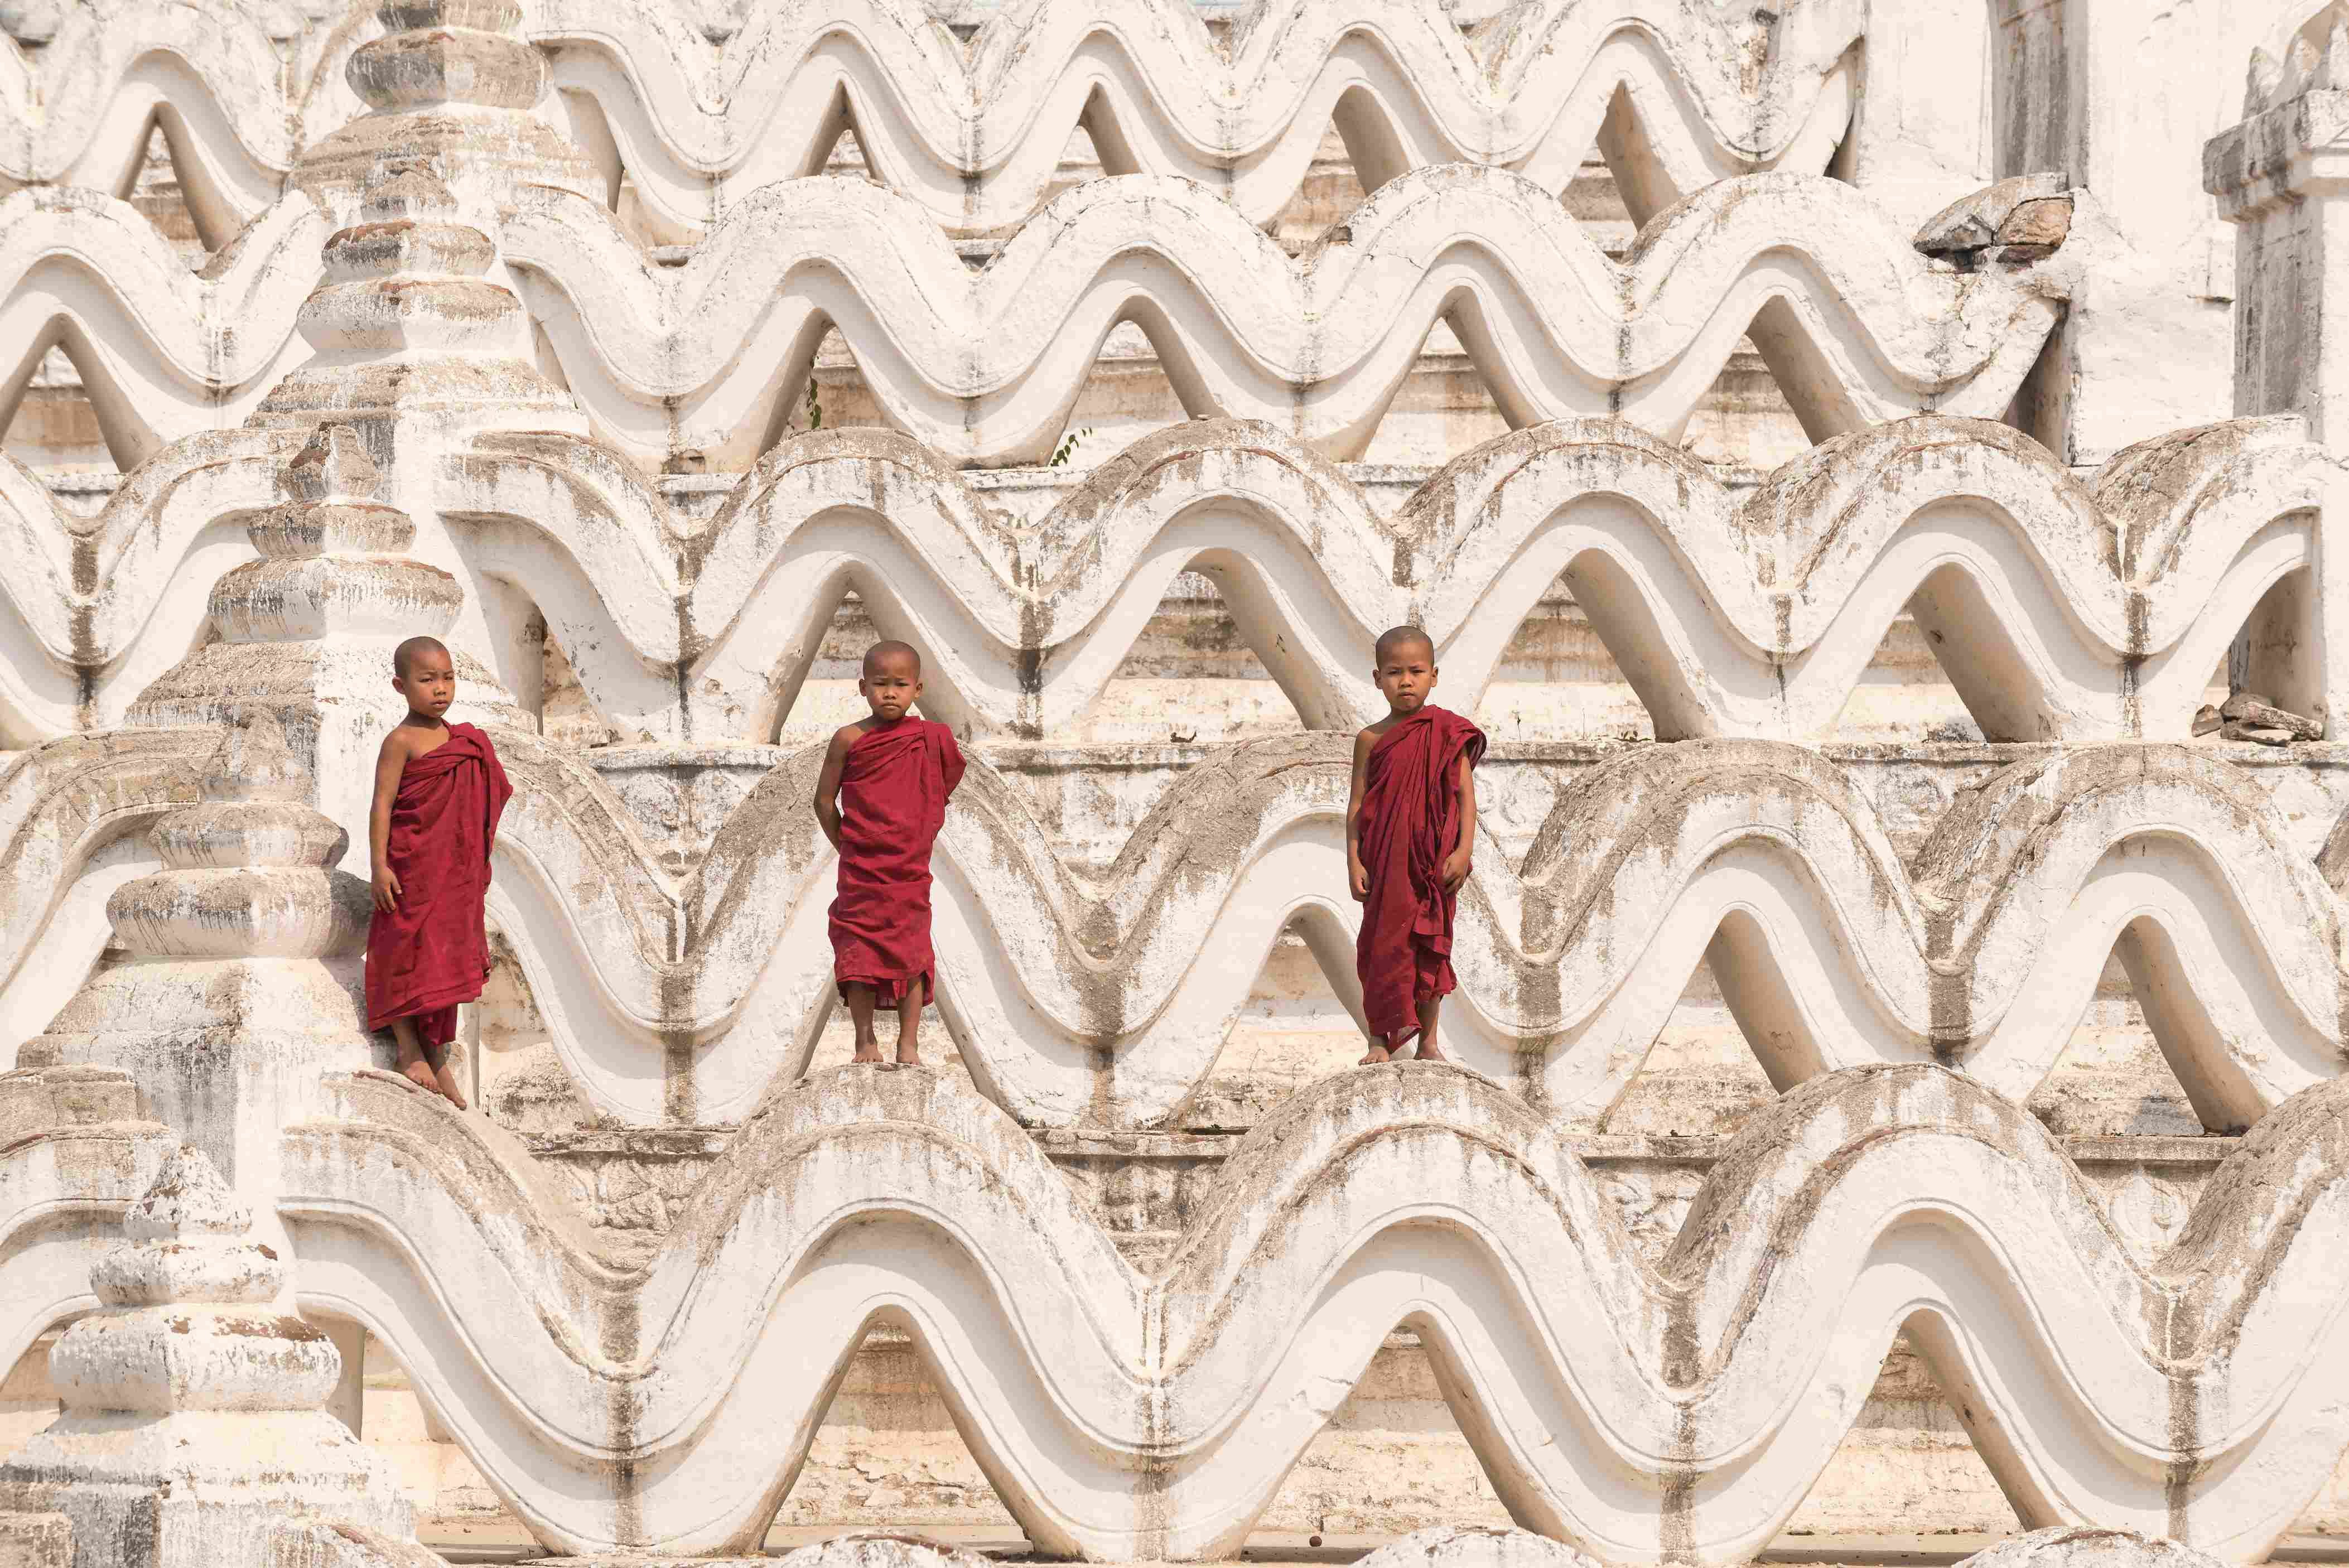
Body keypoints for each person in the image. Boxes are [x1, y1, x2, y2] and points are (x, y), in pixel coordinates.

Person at [366, 634, 512, 1109]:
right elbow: (383, 806)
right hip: (411, 867)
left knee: (442, 956)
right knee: (402, 949)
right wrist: (379, 865)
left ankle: (437, 1052)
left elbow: (483, 802)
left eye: (448, 677)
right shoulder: (400, 741)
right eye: (427, 679)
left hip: (452, 875)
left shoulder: (465, 742)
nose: (440, 688)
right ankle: (409, 1047)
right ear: (400, 685)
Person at [813, 640, 966, 1067]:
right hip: (861, 871)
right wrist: (848, 848)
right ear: (863, 687)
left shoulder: (931, 739)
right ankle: (865, 1040)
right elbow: (824, 802)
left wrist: (911, 833)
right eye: (880, 683)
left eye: (900, 684)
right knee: (858, 953)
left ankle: (908, 1044)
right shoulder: (848, 739)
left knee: (912, 954)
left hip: (907, 870)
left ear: (918, 689)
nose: (890, 693)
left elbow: (936, 789)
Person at [1347, 625, 1485, 1064]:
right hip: (1385, 863)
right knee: (1380, 946)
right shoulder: (1370, 740)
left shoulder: (1446, 732)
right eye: (1393, 672)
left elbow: (1465, 798)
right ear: (1376, 678)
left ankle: (1428, 1044)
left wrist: (1463, 852)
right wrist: (1353, 860)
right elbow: (1355, 805)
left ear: (1434, 676)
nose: (1405, 681)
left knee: (1430, 946)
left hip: (1431, 864)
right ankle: (1378, 1041)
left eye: (1415, 671)